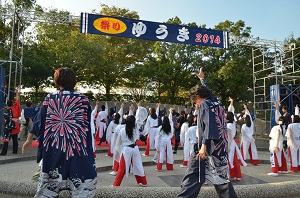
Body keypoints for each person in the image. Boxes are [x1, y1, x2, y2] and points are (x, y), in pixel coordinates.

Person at [22, 67, 97, 197]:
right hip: (77, 149)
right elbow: (88, 127)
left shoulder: (50, 98)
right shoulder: (83, 100)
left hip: (54, 149)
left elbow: (39, 121)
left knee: (48, 186)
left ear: (57, 81)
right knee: (81, 187)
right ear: (74, 81)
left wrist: (29, 139)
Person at [177, 67, 237, 198]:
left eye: (194, 101)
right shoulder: (216, 102)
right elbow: (209, 92)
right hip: (219, 148)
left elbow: (210, 127)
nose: (194, 104)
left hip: (207, 148)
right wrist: (202, 79)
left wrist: (203, 147)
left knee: (193, 178)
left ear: (198, 97)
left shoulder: (204, 104)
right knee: (221, 182)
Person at [112, 115, 147, 187]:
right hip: (135, 148)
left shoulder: (122, 131)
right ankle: (143, 182)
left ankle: (116, 184)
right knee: (138, 165)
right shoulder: (135, 130)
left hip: (126, 150)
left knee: (122, 168)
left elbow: (118, 143)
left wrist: (117, 152)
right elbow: (137, 138)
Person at [227, 98, 247, 180]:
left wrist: (227, 146)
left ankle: (228, 175)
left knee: (229, 159)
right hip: (232, 143)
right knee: (234, 159)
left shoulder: (228, 125)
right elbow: (231, 112)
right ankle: (236, 175)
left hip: (229, 143)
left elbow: (229, 136)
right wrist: (231, 103)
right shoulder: (232, 123)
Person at [1, 88, 21, 155]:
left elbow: (6, 118)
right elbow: (17, 100)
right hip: (15, 125)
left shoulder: (7, 110)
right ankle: (15, 151)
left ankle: (4, 152)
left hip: (9, 126)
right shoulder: (16, 107)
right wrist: (17, 93)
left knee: (6, 139)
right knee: (15, 139)